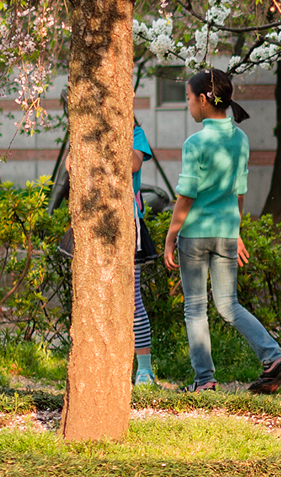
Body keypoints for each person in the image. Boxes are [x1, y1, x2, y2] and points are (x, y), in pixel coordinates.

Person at [164, 68, 281, 394]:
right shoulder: (241, 139)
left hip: (194, 235)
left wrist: (170, 236)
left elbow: (186, 195)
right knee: (228, 305)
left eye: (189, 99)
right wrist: (235, 232)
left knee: (195, 308)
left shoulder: (195, 142)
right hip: (225, 234)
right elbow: (239, 192)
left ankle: (204, 381)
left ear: (205, 100)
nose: (189, 105)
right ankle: (275, 357)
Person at [131, 124, 156, 385]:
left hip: (128, 222)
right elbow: (72, 164)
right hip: (93, 225)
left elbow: (134, 163)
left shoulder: (135, 132)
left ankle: (144, 370)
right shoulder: (87, 127)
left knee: (132, 298)